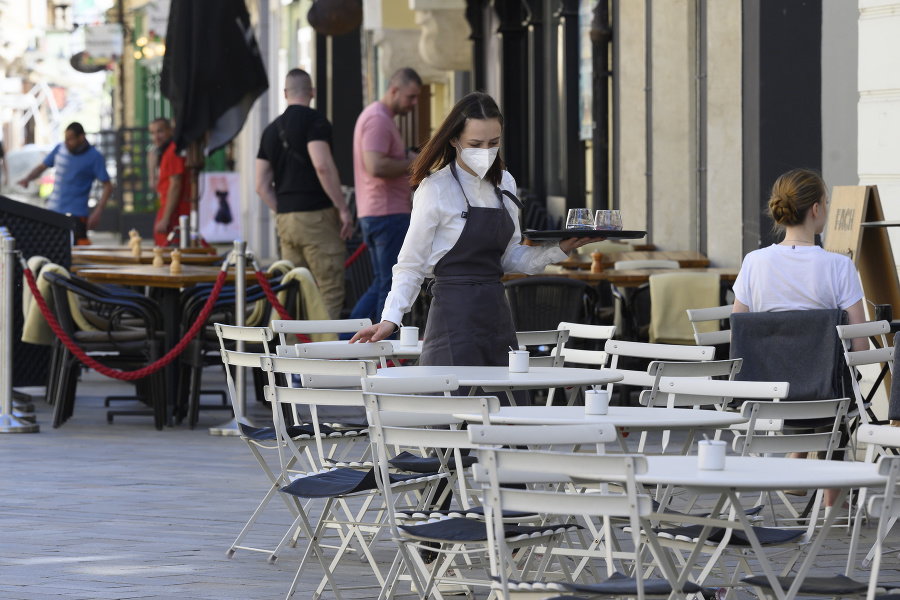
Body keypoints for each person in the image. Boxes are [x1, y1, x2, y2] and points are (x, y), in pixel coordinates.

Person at [350, 92, 600, 367]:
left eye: (493, 143)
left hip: (497, 316)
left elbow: (509, 258)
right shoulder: (435, 189)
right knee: (454, 402)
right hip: (452, 319)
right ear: (454, 140)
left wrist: (561, 248)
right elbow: (410, 266)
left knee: (503, 404)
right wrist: (390, 319)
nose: (486, 152)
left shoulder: (505, 182)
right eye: (475, 144)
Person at [732, 167, 866, 511]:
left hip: (765, 399)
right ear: (817, 210)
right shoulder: (839, 267)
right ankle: (831, 493)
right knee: (842, 379)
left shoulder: (753, 263)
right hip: (827, 397)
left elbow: (741, 334)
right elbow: (860, 347)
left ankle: (798, 455)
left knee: (812, 374)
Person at [256, 68, 353, 319]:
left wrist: (284, 209)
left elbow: (261, 184)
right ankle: (325, 356)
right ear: (311, 92)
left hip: (286, 221)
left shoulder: (270, 130)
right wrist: (343, 209)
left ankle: (293, 352)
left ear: (285, 93)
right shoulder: (315, 122)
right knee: (329, 291)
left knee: (294, 291)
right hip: (318, 216)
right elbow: (322, 165)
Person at [348, 67, 422, 323]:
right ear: (394, 90)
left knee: (383, 282)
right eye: (411, 97)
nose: (414, 104)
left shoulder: (381, 118)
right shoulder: (378, 119)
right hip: (386, 214)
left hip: (382, 212)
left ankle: (349, 338)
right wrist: (413, 162)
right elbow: (376, 166)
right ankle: (377, 352)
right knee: (390, 285)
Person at [18, 122, 112, 245]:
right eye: (65, 139)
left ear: (81, 137)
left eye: (70, 139)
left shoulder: (94, 157)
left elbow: (108, 185)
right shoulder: (59, 149)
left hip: (77, 215)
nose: (66, 142)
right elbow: (42, 167)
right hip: (54, 211)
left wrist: (98, 212)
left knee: (77, 253)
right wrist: (27, 178)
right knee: (53, 248)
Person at [149, 117, 191, 247]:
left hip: (175, 213)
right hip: (171, 210)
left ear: (170, 131)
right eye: (153, 133)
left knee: (169, 257)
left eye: (160, 131)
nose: (156, 136)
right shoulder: (166, 151)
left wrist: (166, 217)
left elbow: (176, 184)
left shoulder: (172, 151)